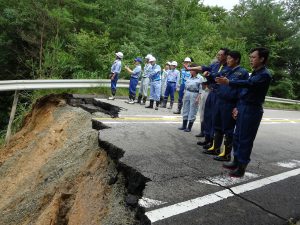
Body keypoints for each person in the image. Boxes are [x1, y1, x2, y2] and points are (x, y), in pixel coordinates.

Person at [216, 47, 272, 177]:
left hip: (252, 109)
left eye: (253, 57)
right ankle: (236, 162)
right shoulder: (255, 72)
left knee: (245, 139)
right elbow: (245, 91)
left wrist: (229, 82)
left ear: (262, 59)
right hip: (243, 106)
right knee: (237, 136)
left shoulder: (264, 74)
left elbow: (248, 84)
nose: (251, 59)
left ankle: (241, 167)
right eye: (250, 57)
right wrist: (238, 106)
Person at [204, 51, 249, 162]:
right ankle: (216, 148)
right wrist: (209, 75)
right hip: (219, 101)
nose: (227, 61)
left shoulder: (242, 72)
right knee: (217, 125)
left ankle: (227, 154)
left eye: (229, 59)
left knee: (228, 129)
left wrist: (237, 106)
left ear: (236, 60)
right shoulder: (226, 70)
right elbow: (215, 78)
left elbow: (243, 91)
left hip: (230, 103)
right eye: (227, 58)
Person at [187, 48, 230, 150]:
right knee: (207, 115)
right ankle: (207, 138)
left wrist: (209, 74)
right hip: (211, 92)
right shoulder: (215, 65)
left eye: (220, 54)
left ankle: (213, 142)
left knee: (214, 118)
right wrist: (190, 69)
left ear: (226, 56)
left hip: (219, 94)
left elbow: (218, 76)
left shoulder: (228, 67)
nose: (218, 56)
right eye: (217, 54)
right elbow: (204, 67)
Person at [178, 63, 203, 132]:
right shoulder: (189, 77)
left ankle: (189, 127)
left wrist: (198, 98)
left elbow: (201, 90)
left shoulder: (200, 78)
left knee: (193, 110)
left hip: (195, 94)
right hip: (187, 93)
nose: (190, 71)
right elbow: (186, 87)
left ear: (195, 70)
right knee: (185, 108)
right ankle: (184, 125)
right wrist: (184, 94)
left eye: (192, 69)